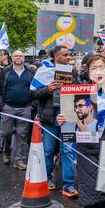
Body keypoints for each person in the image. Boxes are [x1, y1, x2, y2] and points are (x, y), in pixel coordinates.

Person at [57, 55, 105, 208]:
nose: (98, 72)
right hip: (85, 149)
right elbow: (68, 123)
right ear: (87, 72)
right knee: (89, 191)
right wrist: (62, 119)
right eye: (94, 68)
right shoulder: (77, 92)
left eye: (102, 67)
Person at [30, 46, 78, 197]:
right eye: (65, 55)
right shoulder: (43, 70)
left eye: (69, 55)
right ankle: (48, 178)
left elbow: (80, 91)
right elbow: (32, 94)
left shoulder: (72, 70)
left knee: (68, 150)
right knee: (48, 149)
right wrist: (48, 89)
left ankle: (68, 185)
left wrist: (72, 87)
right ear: (56, 56)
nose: (68, 58)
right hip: (49, 117)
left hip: (68, 115)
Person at [0, 51, 34, 170]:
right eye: (16, 56)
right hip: (8, 107)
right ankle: (7, 152)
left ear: (24, 58)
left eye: (20, 56)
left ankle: (19, 160)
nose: (18, 57)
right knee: (6, 133)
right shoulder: (5, 72)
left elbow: (36, 88)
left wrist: (32, 105)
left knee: (21, 135)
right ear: (11, 58)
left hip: (25, 108)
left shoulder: (30, 72)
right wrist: (1, 105)